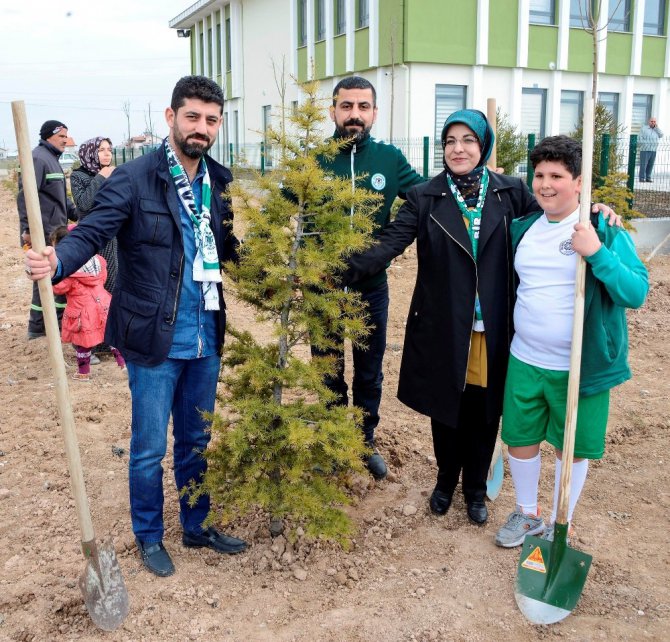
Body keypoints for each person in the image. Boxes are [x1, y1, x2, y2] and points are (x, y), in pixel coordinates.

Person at [340, 110, 619, 526]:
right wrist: (334, 269)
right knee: (445, 407)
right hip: (443, 324)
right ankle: (443, 480)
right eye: (450, 140)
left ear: (483, 146)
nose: (458, 148)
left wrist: (592, 209)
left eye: (468, 140)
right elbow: (389, 244)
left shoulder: (512, 192)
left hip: (499, 325)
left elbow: (553, 214)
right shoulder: (425, 197)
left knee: (484, 410)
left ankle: (474, 489)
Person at [24, 75, 246, 577]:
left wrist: (273, 273)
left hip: (206, 332)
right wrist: (57, 259)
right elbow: (94, 233)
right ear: (171, 118)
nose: (201, 128)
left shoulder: (219, 180)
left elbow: (226, 250)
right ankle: (148, 535)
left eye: (211, 119)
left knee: (195, 440)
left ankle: (196, 524)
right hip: (153, 337)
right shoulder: (132, 179)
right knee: (149, 448)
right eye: (192, 116)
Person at [494, 136, 648, 548]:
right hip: (525, 358)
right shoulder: (523, 228)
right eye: (539, 175)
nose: (545, 184)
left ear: (579, 182)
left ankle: (564, 516)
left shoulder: (602, 229)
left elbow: (635, 292)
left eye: (557, 176)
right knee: (519, 438)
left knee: (571, 446)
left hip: (581, 366)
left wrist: (596, 252)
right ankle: (528, 514)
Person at [313, 76, 424, 480]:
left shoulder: (389, 160)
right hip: (321, 289)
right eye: (346, 106)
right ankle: (331, 437)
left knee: (369, 370)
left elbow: (425, 197)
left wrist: (484, 182)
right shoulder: (316, 160)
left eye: (363, 107)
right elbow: (281, 208)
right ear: (333, 111)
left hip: (370, 290)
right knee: (325, 369)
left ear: (374, 113)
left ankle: (363, 440)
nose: (354, 114)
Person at [17, 120, 78, 339]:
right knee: (42, 279)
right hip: (42, 232)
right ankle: (37, 328)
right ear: (48, 136)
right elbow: (25, 195)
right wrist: (27, 228)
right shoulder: (37, 158)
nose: (65, 139)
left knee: (51, 278)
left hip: (57, 231)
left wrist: (78, 214)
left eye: (66, 135)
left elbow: (60, 198)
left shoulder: (53, 160)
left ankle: (44, 326)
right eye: (61, 135)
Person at [50, 224, 126, 381]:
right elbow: (103, 277)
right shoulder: (97, 260)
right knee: (112, 336)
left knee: (83, 343)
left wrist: (50, 277)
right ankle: (123, 364)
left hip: (83, 310)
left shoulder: (68, 269)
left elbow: (59, 288)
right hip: (104, 303)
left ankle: (83, 373)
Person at [70, 137, 118, 293]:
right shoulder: (78, 176)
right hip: (92, 237)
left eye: (109, 150)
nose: (107, 154)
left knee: (114, 282)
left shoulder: (115, 173)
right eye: (101, 150)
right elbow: (83, 204)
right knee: (95, 284)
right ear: (90, 152)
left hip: (115, 235)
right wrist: (100, 177)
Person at [638, 117, 664, 183]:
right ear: (649, 122)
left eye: (654, 121)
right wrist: (645, 145)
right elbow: (639, 139)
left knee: (650, 164)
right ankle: (641, 178)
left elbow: (661, 135)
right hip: (645, 150)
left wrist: (656, 128)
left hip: (653, 150)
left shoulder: (656, 129)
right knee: (643, 164)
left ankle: (648, 178)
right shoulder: (644, 128)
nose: (653, 123)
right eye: (651, 121)